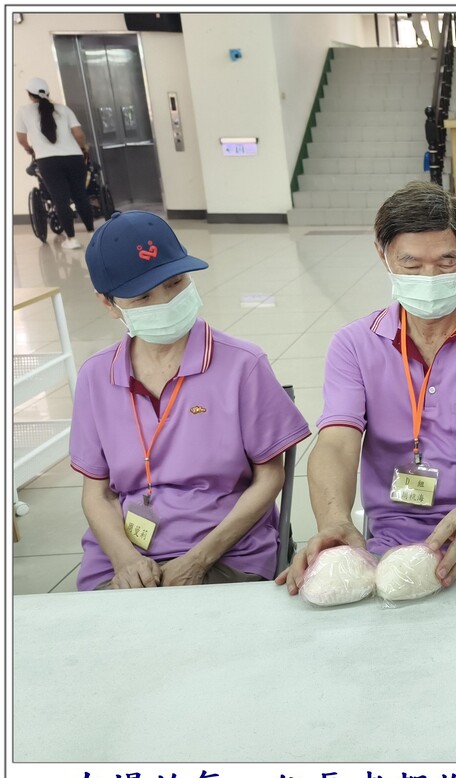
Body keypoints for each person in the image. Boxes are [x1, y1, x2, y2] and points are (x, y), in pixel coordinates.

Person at [277, 181, 456, 596]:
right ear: (383, 255)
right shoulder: (355, 345)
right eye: (411, 265)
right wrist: (335, 522)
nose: (430, 277)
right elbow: (336, 444)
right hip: (397, 537)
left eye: (447, 262)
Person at [70, 211, 311, 590]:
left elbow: (270, 476)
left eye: (175, 283)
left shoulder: (242, 364)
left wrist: (199, 559)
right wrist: (125, 559)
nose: (166, 301)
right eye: (144, 296)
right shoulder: (96, 376)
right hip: (124, 553)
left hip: (227, 551)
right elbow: (96, 493)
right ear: (109, 304)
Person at [15, 77, 94, 250]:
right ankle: (92, 234)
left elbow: (21, 138)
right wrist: (83, 147)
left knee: (60, 199)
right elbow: (79, 134)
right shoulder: (64, 109)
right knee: (80, 196)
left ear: (29, 95)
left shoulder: (23, 111)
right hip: (74, 158)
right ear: (48, 93)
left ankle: (72, 239)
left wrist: (29, 149)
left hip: (48, 161)